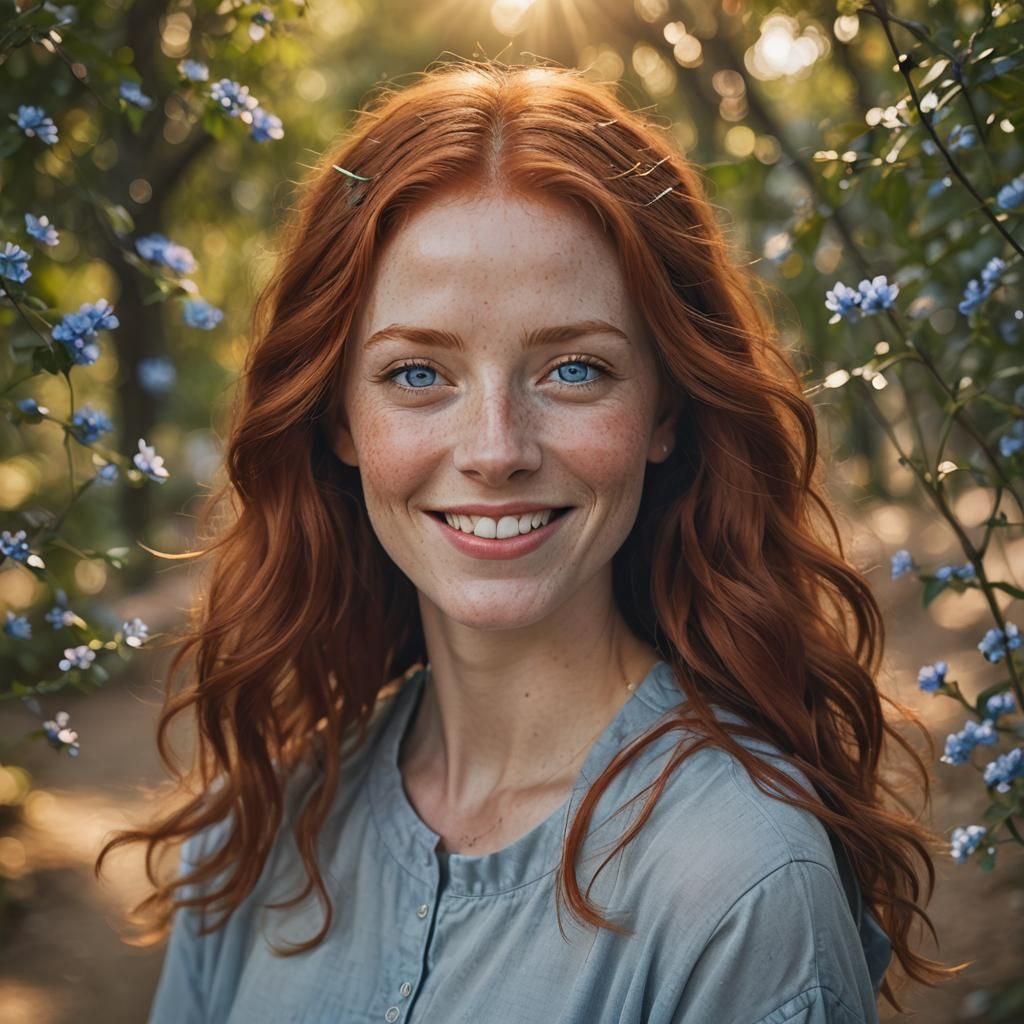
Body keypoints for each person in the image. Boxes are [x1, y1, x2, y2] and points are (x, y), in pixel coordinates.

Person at [97, 59, 962, 1024]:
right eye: (419, 373)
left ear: (665, 408)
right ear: (337, 418)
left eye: (576, 369)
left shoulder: (743, 884)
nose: (497, 450)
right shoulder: (256, 828)